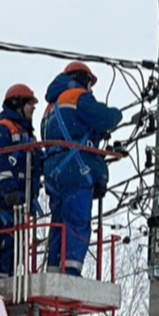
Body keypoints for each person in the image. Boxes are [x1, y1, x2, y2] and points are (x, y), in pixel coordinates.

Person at [40, 61, 122, 277]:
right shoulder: (77, 97)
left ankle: (54, 269)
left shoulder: (49, 108)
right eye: (89, 84)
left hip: (52, 171)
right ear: (83, 80)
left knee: (58, 221)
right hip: (74, 169)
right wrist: (116, 115)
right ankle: (71, 270)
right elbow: (104, 118)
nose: (90, 90)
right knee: (77, 220)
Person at [0, 83, 42, 277]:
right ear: (16, 103)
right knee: (4, 241)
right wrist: (8, 189)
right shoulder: (2, 130)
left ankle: (10, 274)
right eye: (29, 103)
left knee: (20, 245)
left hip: (23, 200)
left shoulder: (28, 136)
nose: (33, 108)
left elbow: (37, 163)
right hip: (5, 199)